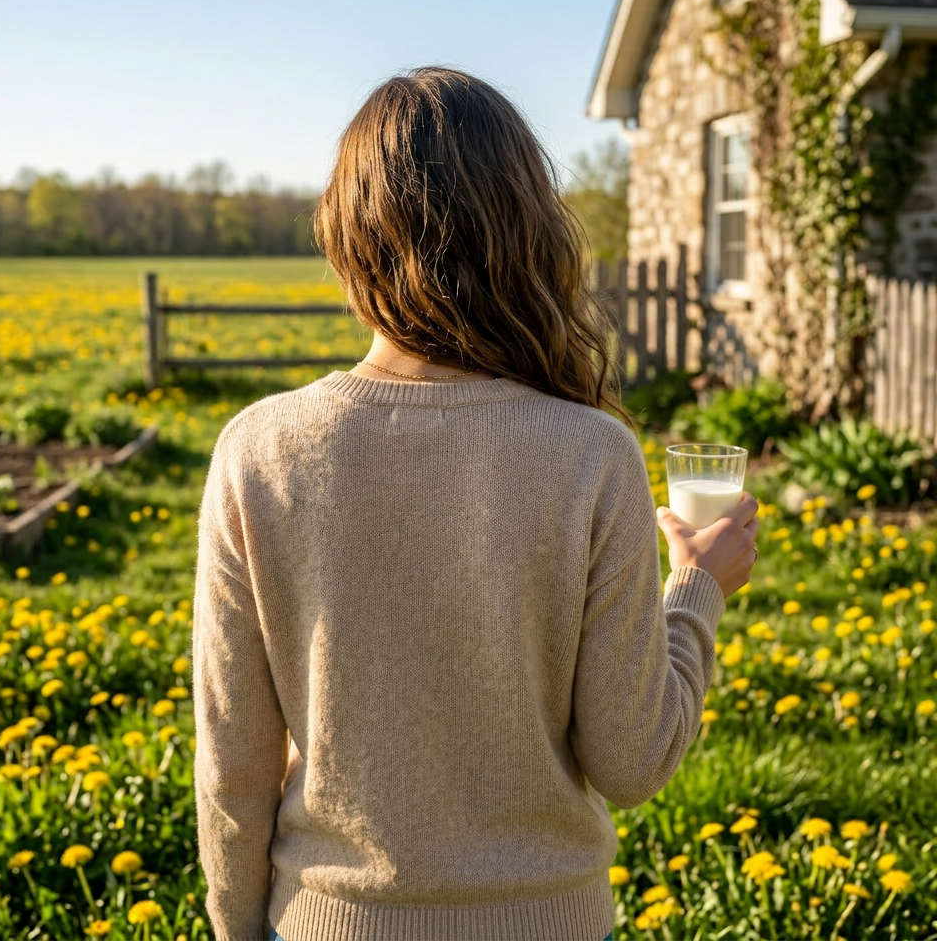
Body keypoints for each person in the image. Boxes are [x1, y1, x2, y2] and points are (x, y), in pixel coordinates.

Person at [192, 66, 759, 941]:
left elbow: (232, 762)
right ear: (527, 232)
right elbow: (633, 760)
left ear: (350, 235)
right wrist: (698, 589)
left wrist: (236, 927)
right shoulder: (591, 452)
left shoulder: (257, 450)